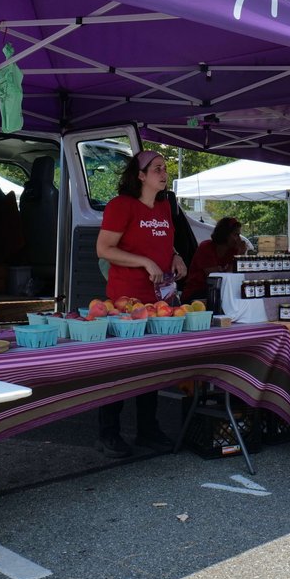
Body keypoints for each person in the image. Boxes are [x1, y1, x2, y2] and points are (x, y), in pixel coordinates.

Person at [94, 150, 187, 457]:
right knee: (119, 367)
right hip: (124, 301)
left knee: (150, 366)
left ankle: (148, 429)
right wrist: (144, 261)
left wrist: (175, 256)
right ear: (141, 176)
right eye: (157, 168)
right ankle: (109, 432)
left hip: (157, 301)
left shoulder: (163, 207)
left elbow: (163, 242)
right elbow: (104, 249)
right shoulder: (122, 206)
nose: (164, 173)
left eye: (165, 168)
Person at [183, 217, 246, 300]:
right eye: (235, 235)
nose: (239, 239)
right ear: (225, 234)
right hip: (196, 293)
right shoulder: (206, 247)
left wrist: (239, 255)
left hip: (220, 293)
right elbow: (217, 280)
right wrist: (238, 256)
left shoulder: (233, 251)